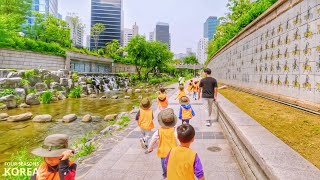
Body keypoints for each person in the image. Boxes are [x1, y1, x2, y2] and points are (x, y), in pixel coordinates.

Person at [147, 108, 179, 179]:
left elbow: (153, 140)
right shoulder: (174, 131)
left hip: (163, 153)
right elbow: (178, 140)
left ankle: (165, 176)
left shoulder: (158, 131)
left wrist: (150, 148)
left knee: (164, 166)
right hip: (173, 153)